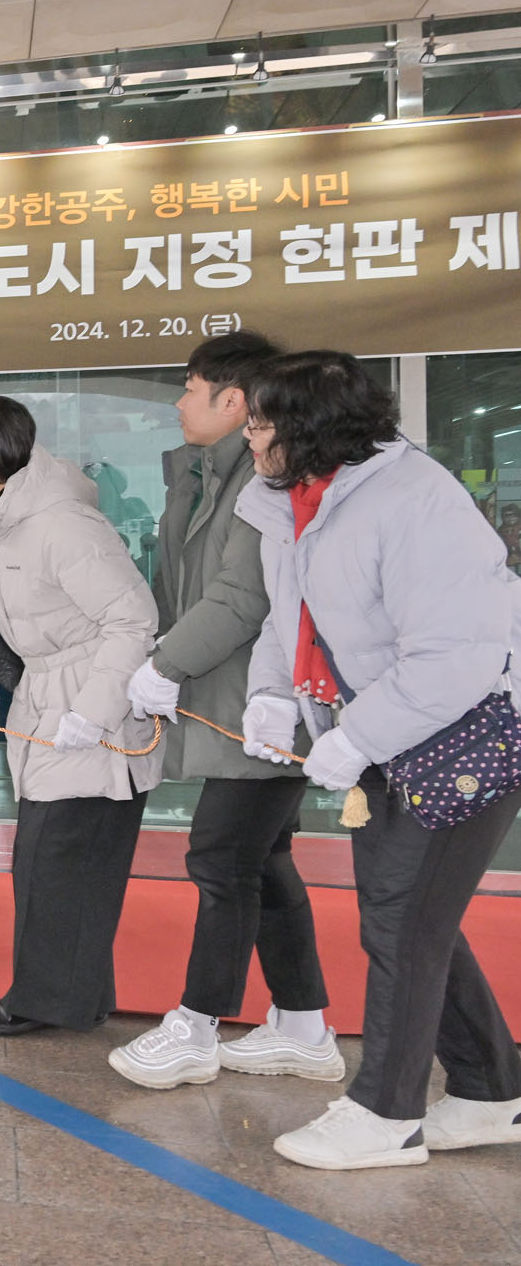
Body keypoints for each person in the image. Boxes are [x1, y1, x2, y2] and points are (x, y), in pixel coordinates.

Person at [235, 352, 521, 1172]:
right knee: (413, 918)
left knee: (402, 921)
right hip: (390, 733)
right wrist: (273, 696)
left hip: (463, 734)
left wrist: (359, 736)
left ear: (309, 429)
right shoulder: (293, 500)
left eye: (260, 421)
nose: (248, 435)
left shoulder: (417, 500)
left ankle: (386, 1114)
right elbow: (288, 619)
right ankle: (492, 1091)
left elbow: (458, 654)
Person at [111, 334, 340, 1090]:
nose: (179, 403)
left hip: (265, 702)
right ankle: (303, 1027)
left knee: (220, 857)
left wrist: (166, 665)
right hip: (230, 696)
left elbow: (243, 598)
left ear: (234, 400)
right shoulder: (205, 473)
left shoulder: (264, 479)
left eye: (189, 388)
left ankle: (197, 1025)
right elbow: (184, 586)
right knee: (260, 860)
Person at [0, 396, 162, 1036]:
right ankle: (76, 997)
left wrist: (94, 712)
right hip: (42, 706)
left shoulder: (64, 526)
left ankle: (44, 1001)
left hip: (92, 709)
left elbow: (133, 620)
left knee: (59, 863)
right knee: (54, 864)